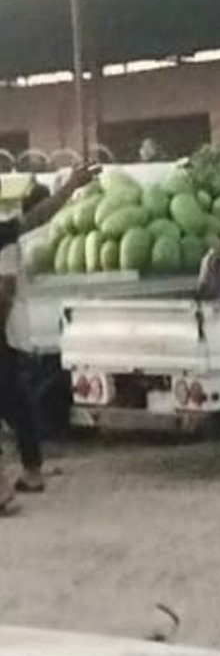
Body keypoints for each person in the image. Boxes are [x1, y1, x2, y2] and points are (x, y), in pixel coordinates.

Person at [0, 164, 97, 513]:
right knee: (16, 403)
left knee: (14, 401)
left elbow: (5, 290)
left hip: (5, 332)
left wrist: (70, 186)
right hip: (8, 333)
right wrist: (70, 186)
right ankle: (30, 471)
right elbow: (38, 217)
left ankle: (6, 487)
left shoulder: (3, 235)